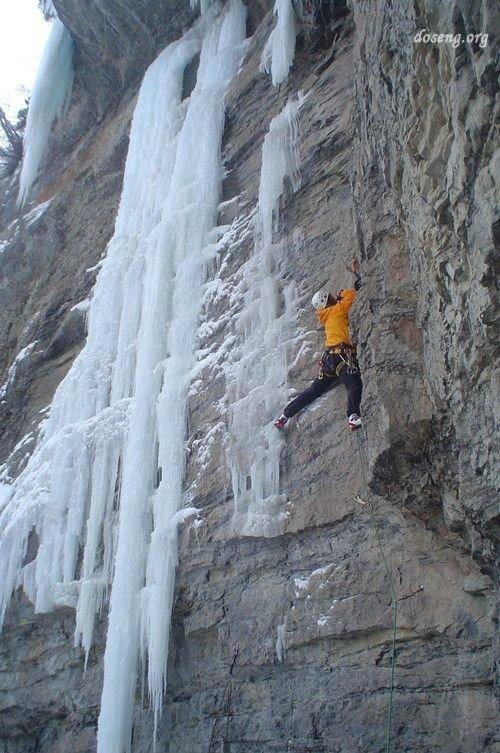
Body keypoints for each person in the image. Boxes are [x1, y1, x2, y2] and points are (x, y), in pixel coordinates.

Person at [275, 259, 363, 431]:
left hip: (329, 360)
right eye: (330, 297)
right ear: (328, 300)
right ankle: (353, 416)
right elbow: (350, 297)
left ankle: (284, 415)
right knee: (354, 384)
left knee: (315, 390)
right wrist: (342, 292)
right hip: (341, 356)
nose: (332, 296)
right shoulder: (336, 310)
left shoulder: (326, 315)